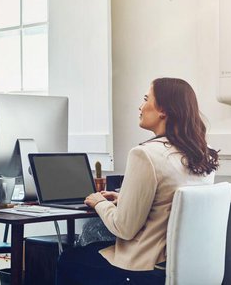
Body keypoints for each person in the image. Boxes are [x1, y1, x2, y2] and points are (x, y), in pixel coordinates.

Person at [56, 78, 219, 285]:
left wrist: (99, 202)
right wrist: (123, 198)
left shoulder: (145, 154)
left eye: (145, 99)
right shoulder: (203, 155)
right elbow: (168, 203)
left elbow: (124, 228)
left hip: (143, 271)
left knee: (69, 259)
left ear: (163, 110)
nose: (140, 107)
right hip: (185, 268)